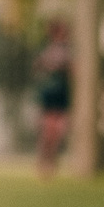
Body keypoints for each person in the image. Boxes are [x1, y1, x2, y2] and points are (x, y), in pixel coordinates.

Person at [34, 20, 71, 179]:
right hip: (50, 94)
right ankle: (44, 162)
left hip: (62, 95)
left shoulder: (69, 50)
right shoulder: (48, 51)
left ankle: (52, 161)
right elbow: (39, 66)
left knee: (60, 130)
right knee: (48, 131)